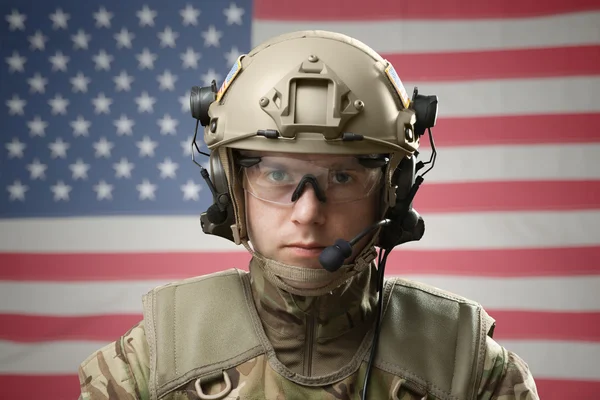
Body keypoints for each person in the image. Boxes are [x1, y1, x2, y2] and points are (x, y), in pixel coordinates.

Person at [77, 30, 539, 400]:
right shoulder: (153, 360)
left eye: (342, 178)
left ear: (393, 195)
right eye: (276, 173)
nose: (307, 212)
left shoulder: (469, 368)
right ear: (229, 187)